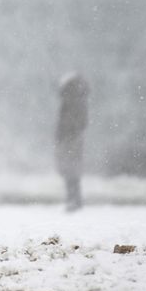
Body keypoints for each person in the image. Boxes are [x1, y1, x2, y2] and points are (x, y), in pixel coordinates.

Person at [55, 72, 90, 212]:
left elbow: (76, 122)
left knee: (71, 169)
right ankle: (74, 199)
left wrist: (68, 134)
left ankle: (73, 199)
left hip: (70, 139)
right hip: (71, 138)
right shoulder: (77, 102)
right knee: (70, 169)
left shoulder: (73, 103)